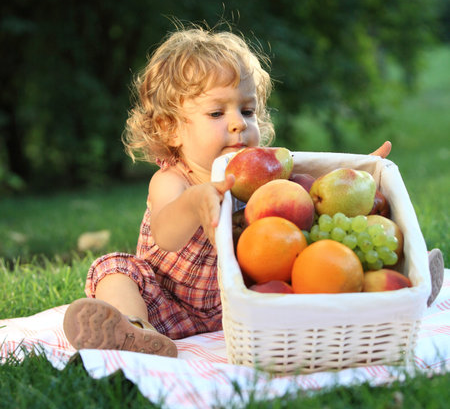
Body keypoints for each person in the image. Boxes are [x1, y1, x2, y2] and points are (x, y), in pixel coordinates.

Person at [63, 26, 442, 358]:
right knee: (114, 268)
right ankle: (133, 329)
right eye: (216, 113)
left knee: (318, 267)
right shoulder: (173, 179)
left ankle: (399, 292)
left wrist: (356, 177)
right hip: (170, 305)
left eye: (247, 111)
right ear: (171, 130)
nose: (237, 125)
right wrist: (195, 202)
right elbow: (165, 232)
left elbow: (312, 190)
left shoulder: (257, 174)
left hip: (248, 301)